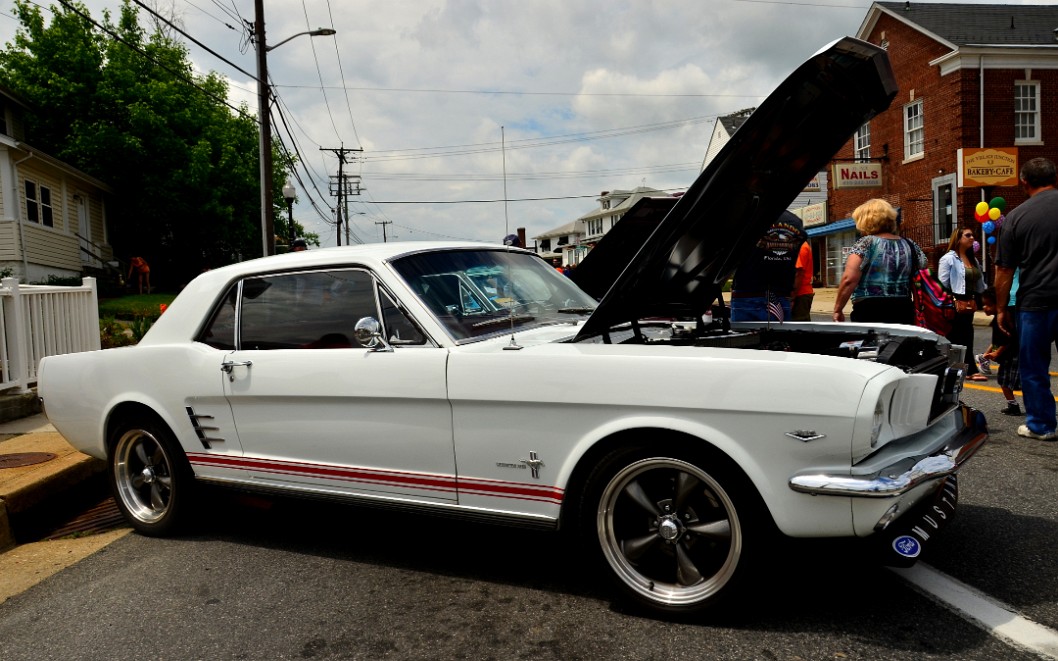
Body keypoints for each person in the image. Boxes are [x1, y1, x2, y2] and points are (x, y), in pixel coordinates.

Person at [996, 156, 1058, 441]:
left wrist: (1001, 309)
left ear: (1024, 182)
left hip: (1035, 301)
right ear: (1054, 178)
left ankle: (1042, 425)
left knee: (1034, 367)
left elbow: (1004, 270)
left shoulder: (1016, 217)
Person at [832, 199, 927, 324]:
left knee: (871, 343)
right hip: (903, 308)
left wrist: (838, 309)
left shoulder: (866, 243)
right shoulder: (910, 244)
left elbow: (849, 279)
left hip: (870, 310)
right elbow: (923, 267)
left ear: (865, 221)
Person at [730, 210, 806, 321]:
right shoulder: (795, 222)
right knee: (778, 337)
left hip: (747, 293)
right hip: (780, 294)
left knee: (745, 337)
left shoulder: (748, 217)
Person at [938, 227, 987, 381]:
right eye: (968, 235)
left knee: (967, 335)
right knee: (956, 335)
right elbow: (942, 283)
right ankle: (962, 370)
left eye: (973, 235)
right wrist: (948, 301)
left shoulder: (973, 259)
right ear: (958, 239)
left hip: (969, 302)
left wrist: (986, 298)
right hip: (954, 301)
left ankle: (964, 368)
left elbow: (980, 283)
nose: (972, 238)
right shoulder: (948, 258)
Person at [979, 287, 1022, 415]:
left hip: (1013, 355)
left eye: (988, 305)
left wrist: (997, 353)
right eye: (984, 305)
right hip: (1009, 356)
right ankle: (1012, 404)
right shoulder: (997, 319)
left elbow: (1010, 339)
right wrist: (987, 353)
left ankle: (1016, 405)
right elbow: (997, 341)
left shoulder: (1004, 320)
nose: (985, 308)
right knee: (1005, 381)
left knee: (1009, 381)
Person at [791, 240, 814, 321]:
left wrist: (792, 297)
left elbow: (798, 273)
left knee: (798, 327)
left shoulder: (800, 247)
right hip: (802, 293)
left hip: (800, 294)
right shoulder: (801, 245)